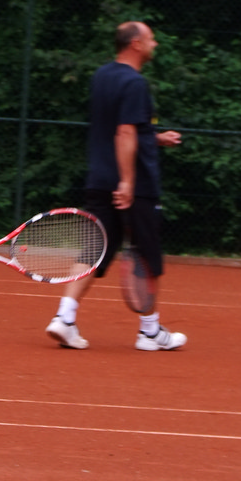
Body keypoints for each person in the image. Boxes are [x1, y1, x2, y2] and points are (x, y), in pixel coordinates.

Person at [46, 21, 187, 352]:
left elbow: (123, 128)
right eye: (151, 39)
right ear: (136, 44)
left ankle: (64, 318)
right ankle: (149, 332)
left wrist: (155, 138)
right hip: (134, 185)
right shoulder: (135, 83)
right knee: (146, 254)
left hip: (99, 178)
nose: (155, 44)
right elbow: (124, 132)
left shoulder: (102, 76)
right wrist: (127, 181)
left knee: (94, 251)